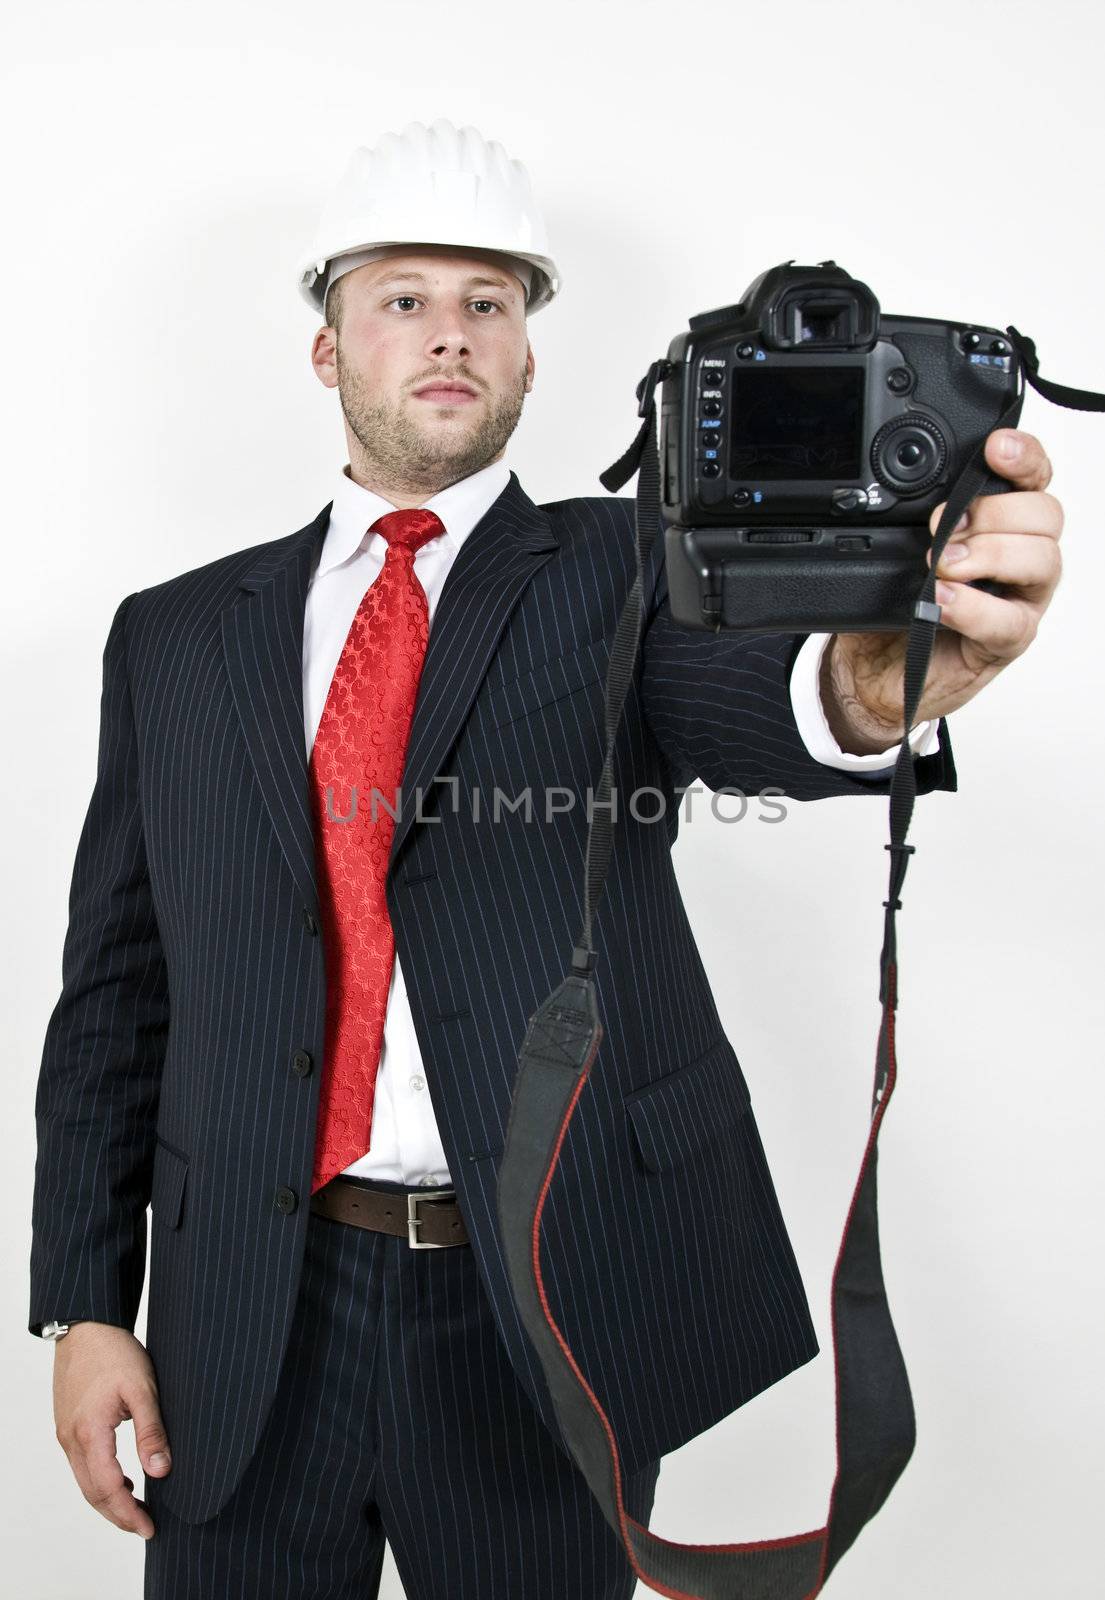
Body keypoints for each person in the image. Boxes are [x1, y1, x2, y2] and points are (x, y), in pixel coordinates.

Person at [30, 118, 1063, 1599]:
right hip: (246, 1306)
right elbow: (117, 993)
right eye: (403, 299)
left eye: (490, 305)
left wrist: (898, 679)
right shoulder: (174, 634)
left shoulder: (622, 567)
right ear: (328, 349)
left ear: (525, 360)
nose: (449, 334)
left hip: (536, 1302)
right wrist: (83, 1305)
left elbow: (768, 701)